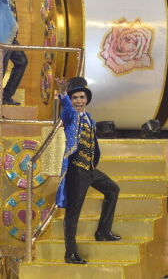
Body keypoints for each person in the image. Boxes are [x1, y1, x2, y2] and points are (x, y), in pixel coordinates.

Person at [55, 77, 120, 265]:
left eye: (81, 97)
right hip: (77, 170)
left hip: (90, 169)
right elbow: (66, 109)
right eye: (75, 97)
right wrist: (64, 94)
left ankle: (103, 232)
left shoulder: (89, 117)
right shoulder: (70, 116)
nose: (78, 101)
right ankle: (70, 253)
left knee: (113, 190)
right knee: (73, 213)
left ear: (86, 99)